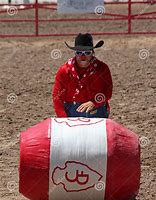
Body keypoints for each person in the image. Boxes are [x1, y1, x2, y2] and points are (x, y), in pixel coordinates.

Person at [52, 33, 113, 118]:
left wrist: (94, 103)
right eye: (79, 52)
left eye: (87, 53)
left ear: (92, 53)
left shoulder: (102, 69)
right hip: (71, 111)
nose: (83, 56)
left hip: (96, 110)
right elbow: (57, 98)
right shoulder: (64, 71)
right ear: (75, 53)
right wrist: (64, 120)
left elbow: (108, 91)